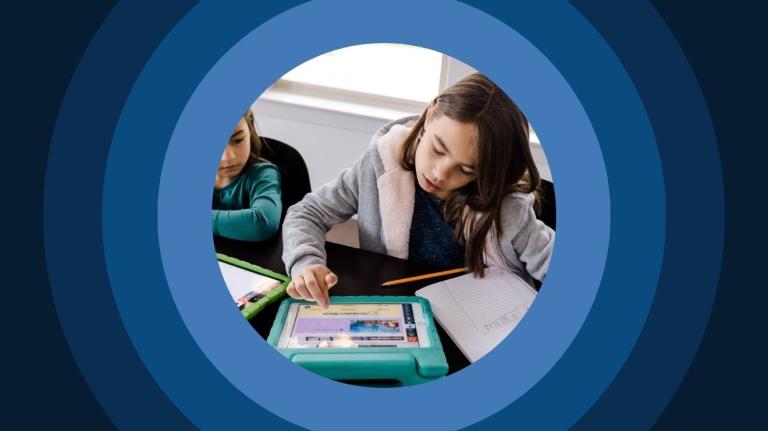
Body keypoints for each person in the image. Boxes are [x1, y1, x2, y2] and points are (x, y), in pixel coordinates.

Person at [282, 73, 554, 308]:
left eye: (466, 170)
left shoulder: (508, 208)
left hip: (477, 319)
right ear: (429, 113)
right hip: (396, 304)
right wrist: (305, 262)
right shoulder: (379, 165)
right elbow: (307, 212)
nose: (439, 174)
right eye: (437, 148)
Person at [212, 110, 282, 241]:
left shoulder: (263, 174)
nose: (227, 157)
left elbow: (262, 224)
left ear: (249, 126)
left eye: (237, 140)